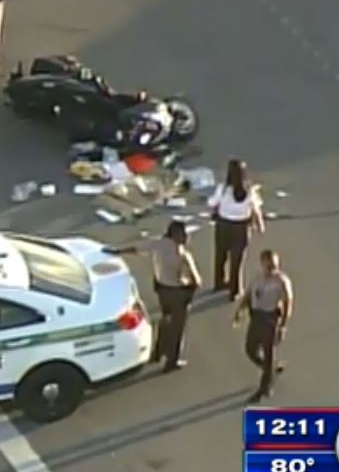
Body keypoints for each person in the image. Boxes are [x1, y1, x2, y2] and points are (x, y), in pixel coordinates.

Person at [105, 221, 202, 372]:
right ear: (177, 235)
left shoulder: (158, 245)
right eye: (184, 234)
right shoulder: (182, 255)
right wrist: (190, 290)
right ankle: (172, 361)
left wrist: (116, 251)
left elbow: (136, 249)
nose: (186, 237)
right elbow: (197, 281)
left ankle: (157, 352)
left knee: (165, 321)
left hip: (162, 291)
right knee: (177, 328)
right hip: (177, 292)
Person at [233, 249, 294, 403]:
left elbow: (288, 302)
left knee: (268, 354)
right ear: (262, 263)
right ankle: (271, 370)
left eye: (274, 265)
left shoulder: (281, 281)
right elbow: (248, 295)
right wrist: (240, 310)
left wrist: (283, 325)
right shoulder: (257, 277)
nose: (272, 269)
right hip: (256, 317)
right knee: (250, 349)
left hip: (269, 319)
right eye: (269, 265)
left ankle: (264, 388)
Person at [208, 158, 265, 300]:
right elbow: (256, 208)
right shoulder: (249, 190)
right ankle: (234, 290)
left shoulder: (223, 189)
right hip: (242, 227)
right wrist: (260, 225)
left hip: (223, 225)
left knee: (220, 256)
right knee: (237, 260)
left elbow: (212, 202)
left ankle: (219, 283)